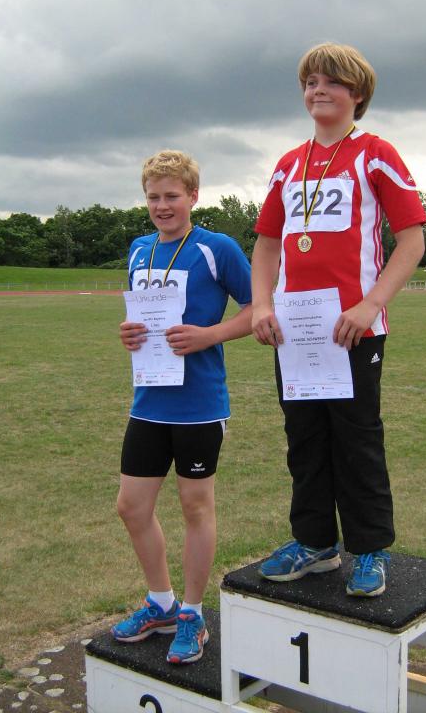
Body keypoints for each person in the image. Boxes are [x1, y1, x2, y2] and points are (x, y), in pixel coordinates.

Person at [251, 43, 426, 597]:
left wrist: (370, 304)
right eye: (310, 82)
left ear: (357, 93)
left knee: (357, 441)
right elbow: (267, 244)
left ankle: (370, 549)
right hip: (296, 332)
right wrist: (262, 305)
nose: (318, 90)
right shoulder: (288, 164)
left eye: (331, 82)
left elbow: (412, 240)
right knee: (304, 441)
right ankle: (315, 543)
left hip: (353, 330)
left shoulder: (375, 153)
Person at [112, 150, 252, 663]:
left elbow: (259, 307)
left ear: (193, 196)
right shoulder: (139, 249)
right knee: (131, 507)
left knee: (195, 506)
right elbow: (142, 320)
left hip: (199, 404)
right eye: (153, 197)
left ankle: (192, 613)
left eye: (172, 195)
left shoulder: (217, 248)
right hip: (149, 401)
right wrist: (129, 335)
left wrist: (210, 335)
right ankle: (162, 603)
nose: (162, 206)